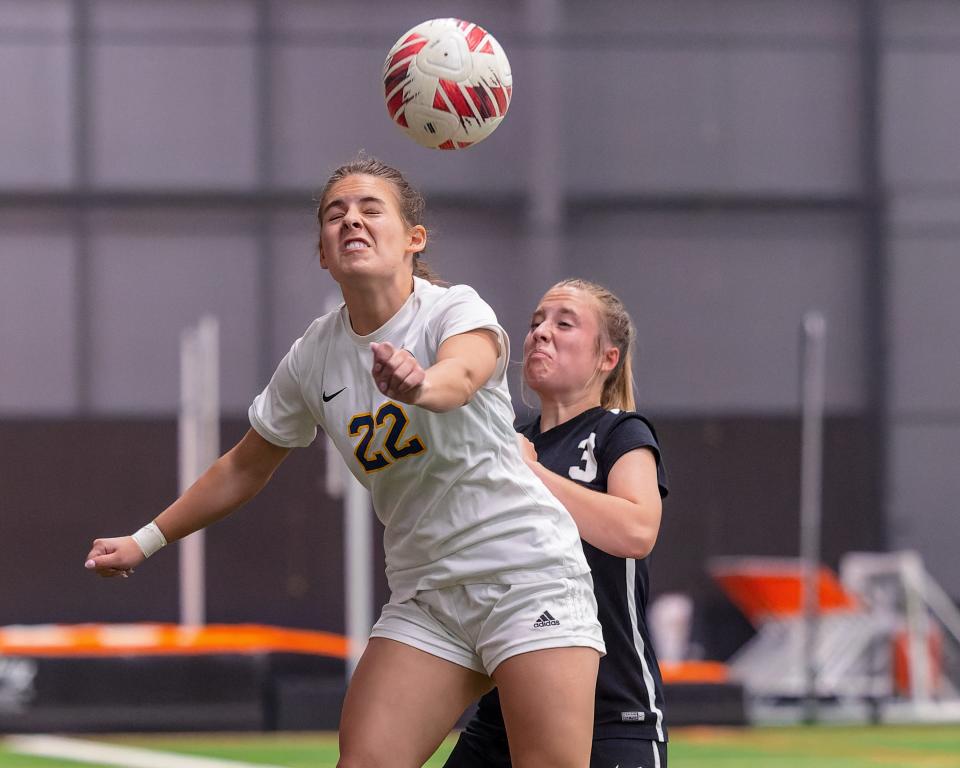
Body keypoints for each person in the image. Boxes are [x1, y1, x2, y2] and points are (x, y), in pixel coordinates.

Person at [83, 156, 605, 768]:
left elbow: (459, 377)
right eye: (335, 215)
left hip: (527, 572)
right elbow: (244, 466)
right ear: (324, 255)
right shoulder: (314, 357)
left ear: (414, 239)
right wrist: (145, 541)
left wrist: (418, 385)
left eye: (368, 208)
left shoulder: (454, 310)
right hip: (428, 594)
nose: (350, 220)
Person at [444, 278, 670, 768]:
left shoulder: (620, 432)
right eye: (535, 323)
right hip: (509, 708)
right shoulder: (506, 441)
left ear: (607, 358)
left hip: (613, 714)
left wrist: (531, 473)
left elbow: (636, 531)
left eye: (563, 323)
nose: (540, 333)